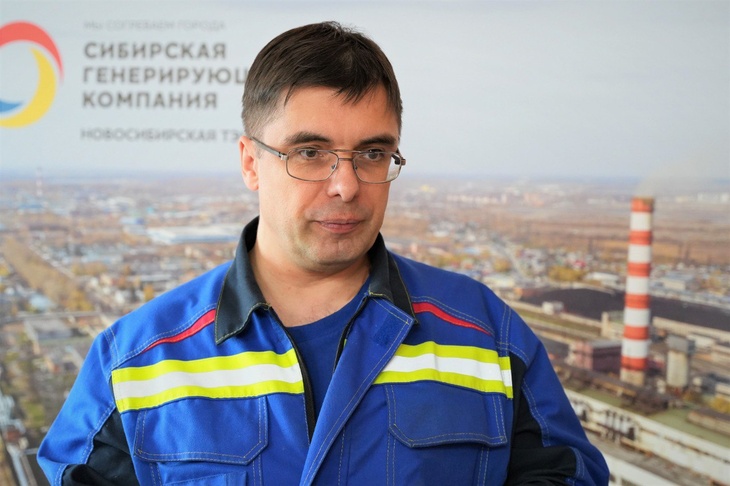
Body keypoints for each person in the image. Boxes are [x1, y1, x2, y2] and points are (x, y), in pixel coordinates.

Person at [38, 21, 609, 485]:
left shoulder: (487, 336)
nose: (346, 185)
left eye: (373, 153)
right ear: (250, 163)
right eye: (310, 152)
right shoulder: (137, 360)